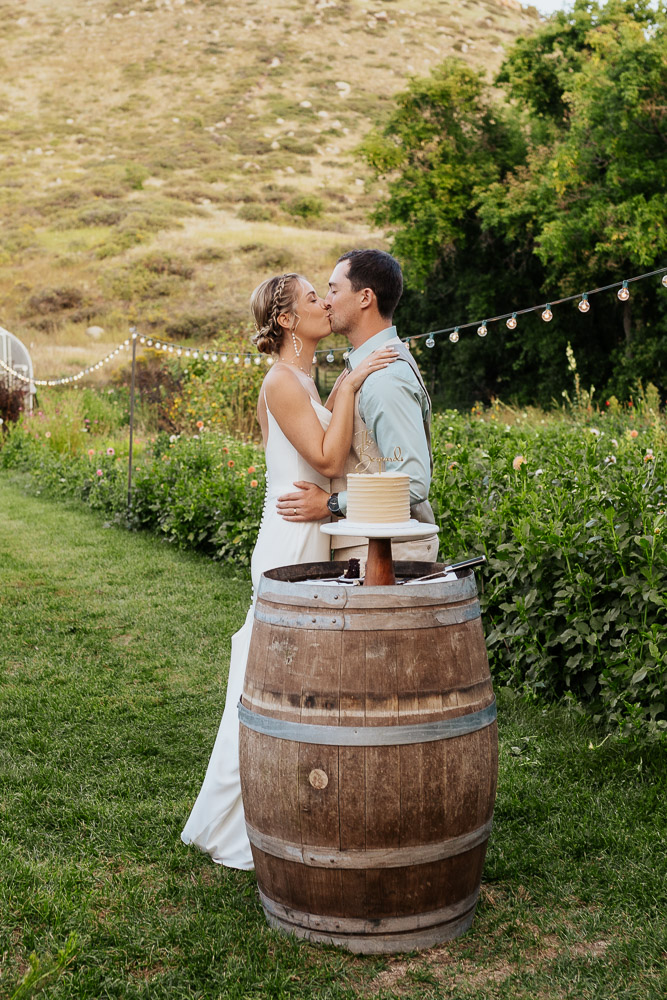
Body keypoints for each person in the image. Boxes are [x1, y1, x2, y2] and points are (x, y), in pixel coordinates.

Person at [180, 272, 397, 869]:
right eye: (310, 298)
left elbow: (323, 444)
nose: (324, 303)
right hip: (288, 539)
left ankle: (287, 801)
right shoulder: (280, 382)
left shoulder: (302, 380)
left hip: (310, 530)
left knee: (294, 675)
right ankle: (236, 821)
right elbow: (327, 458)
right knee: (268, 676)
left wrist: (342, 389)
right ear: (284, 321)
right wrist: (352, 383)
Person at [276, 249, 438, 566]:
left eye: (334, 289)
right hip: (371, 545)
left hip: (387, 551)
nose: (326, 301)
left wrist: (332, 503)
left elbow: (413, 482)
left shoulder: (384, 378)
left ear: (365, 298)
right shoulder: (363, 368)